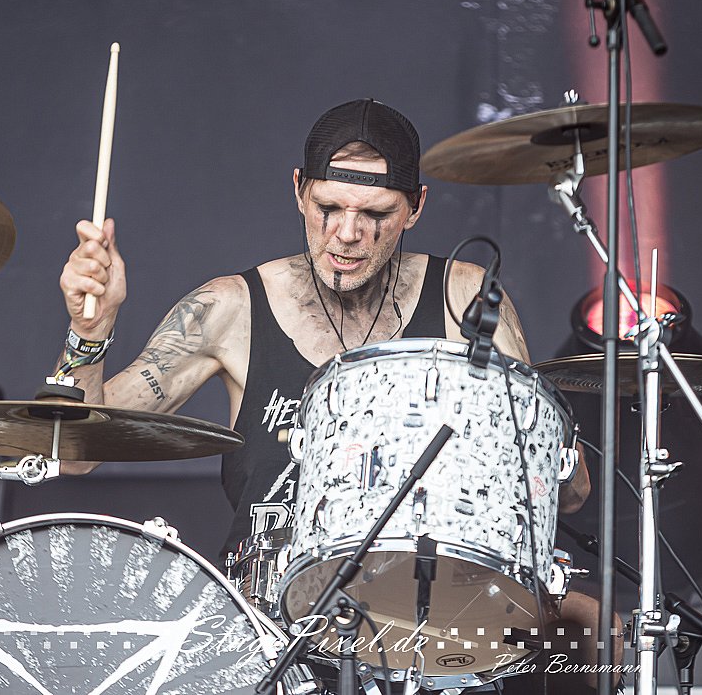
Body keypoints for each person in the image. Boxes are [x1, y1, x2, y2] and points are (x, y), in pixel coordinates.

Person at [56, 99, 608, 691]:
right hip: (264, 639)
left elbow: (568, 491)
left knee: (596, 634)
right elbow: (76, 453)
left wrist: (542, 454)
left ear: (416, 206)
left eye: (376, 213)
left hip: (427, 628)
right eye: (328, 208)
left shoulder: (465, 300)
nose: (347, 234)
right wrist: (89, 332)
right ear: (299, 190)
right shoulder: (229, 308)